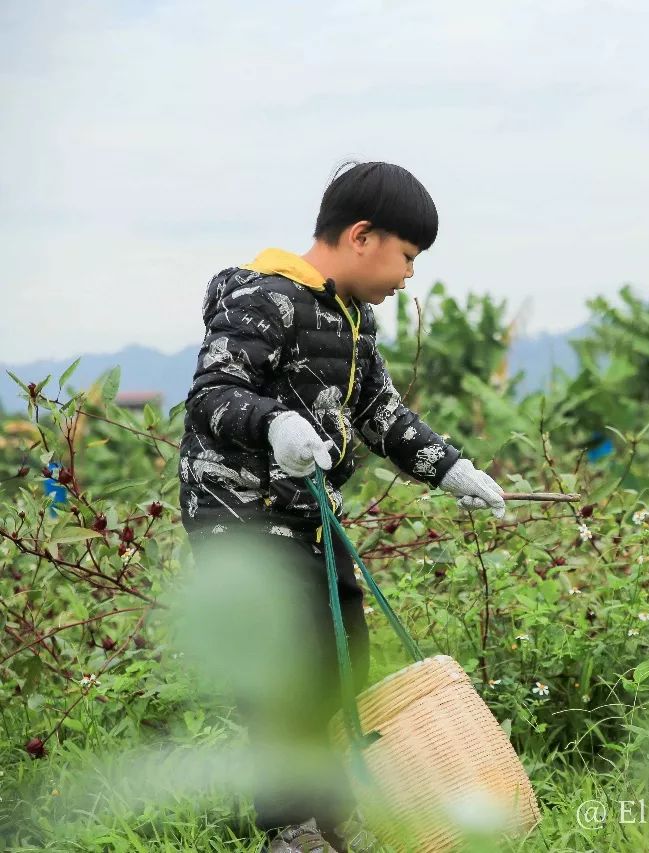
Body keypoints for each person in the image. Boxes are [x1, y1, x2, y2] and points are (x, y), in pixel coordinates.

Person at [178, 161, 507, 853]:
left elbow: (380, 412)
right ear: (363, 236)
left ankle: (330, 810)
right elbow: (211, 394)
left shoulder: (353, 319)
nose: (409, 276)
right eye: (408, 257)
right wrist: (272, 422)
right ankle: (291, 829)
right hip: (236, 512)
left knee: (344, 657)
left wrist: (451, 468)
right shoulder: (262, 299)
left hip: (304, 511)